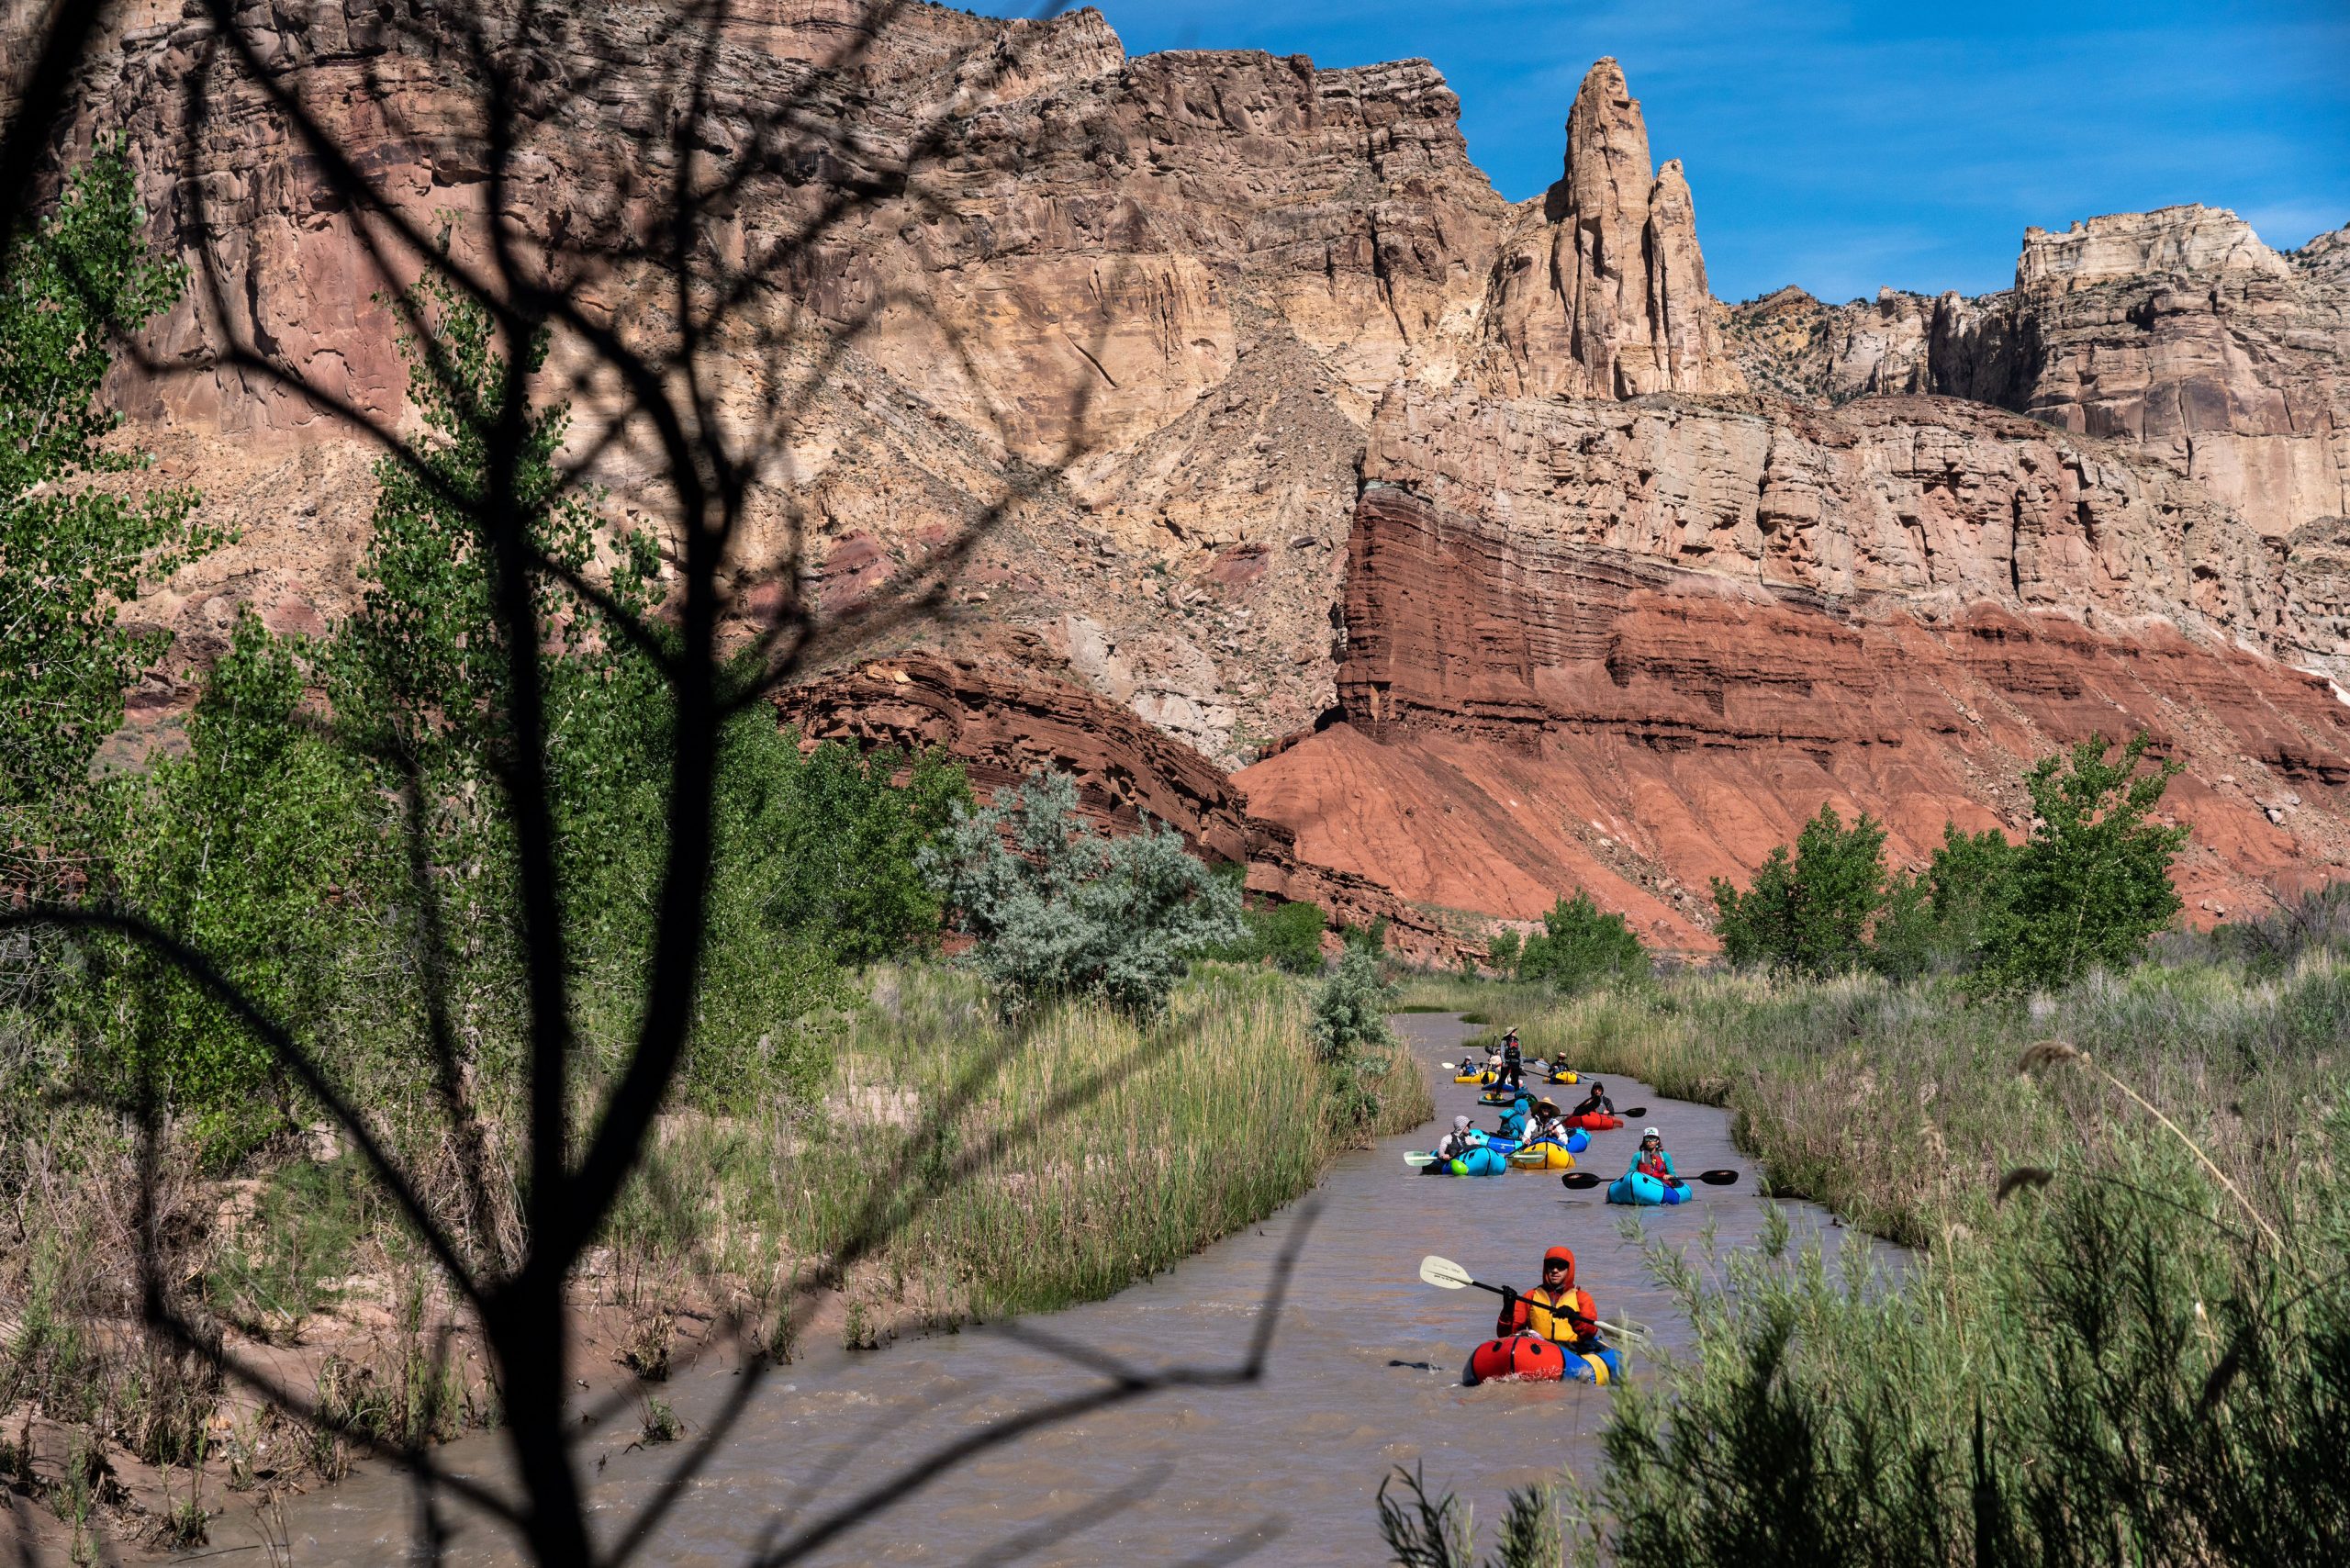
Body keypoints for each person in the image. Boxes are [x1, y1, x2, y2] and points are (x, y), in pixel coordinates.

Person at [1495, 1245, 1602, 1350]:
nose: (1555, 1270)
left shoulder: (1581, 1297)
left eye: (1561, 1266)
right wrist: (1507, 1311)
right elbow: (1506, 1336)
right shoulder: (1530, 1296)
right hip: (1539, 1350)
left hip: (1573, 1351)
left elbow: (1590, 1333)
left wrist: (1574, 1318)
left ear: (1569, 1268)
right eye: (1551, 1265)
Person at [1497, 1027, 1524, 1092]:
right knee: (1502, 1079)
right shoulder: (1504, 1042)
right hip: (1507, 1063)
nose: (1515, 1032)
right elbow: (1502, 1053)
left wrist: (1522, 1065)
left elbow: (1520, 1054)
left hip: (1516, 1063)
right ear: (1510, 1033)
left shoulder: (1517, 1041)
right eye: (1513, 1031)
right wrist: (1503, 1062)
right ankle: (1497, 1095)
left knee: (1515, 1080)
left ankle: (1517, 1095)